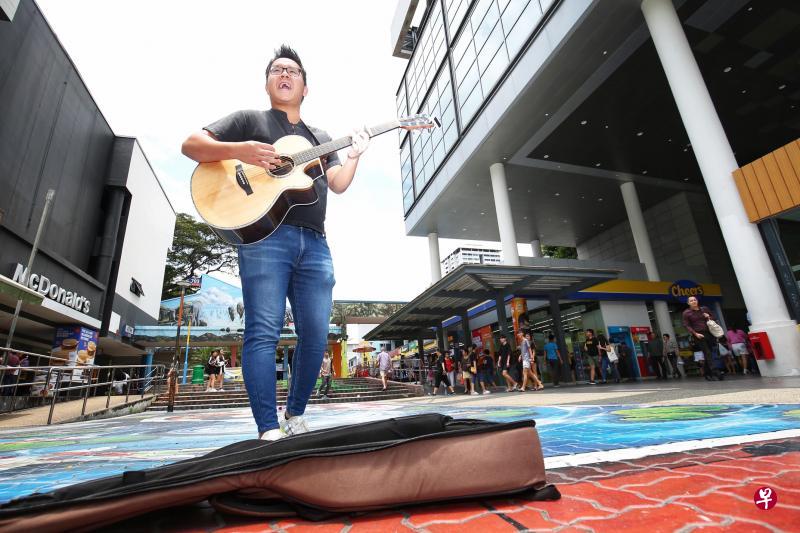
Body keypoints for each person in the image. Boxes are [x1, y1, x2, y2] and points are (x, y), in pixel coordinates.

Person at [182, 45, 369, 441]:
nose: (285, 75)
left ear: (305, 87)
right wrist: (242, 150)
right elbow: (192, 145)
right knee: (263, 331)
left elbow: (337, 185)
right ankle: (268, 427)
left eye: (293, 71)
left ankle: (295, 415)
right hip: (263, 238)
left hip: (316, 244)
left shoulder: (320, 137)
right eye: (277, 70)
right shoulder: (249, 120)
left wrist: (354, 155)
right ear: (268, 82)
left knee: (317, 335)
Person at [682, 296, 723, 381]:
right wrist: (695, 333)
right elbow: (686, 325)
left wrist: (708, 316)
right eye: (691, 301)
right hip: (698, 335)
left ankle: (707, 373)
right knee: (707, 352)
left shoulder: (704, 309)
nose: (693, 301)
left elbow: (714, 318)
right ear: (688, 303)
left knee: (709, 353)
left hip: (709, 333)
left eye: (695, 300)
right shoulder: (686, 313)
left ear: (697, 301)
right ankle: (716, 372)